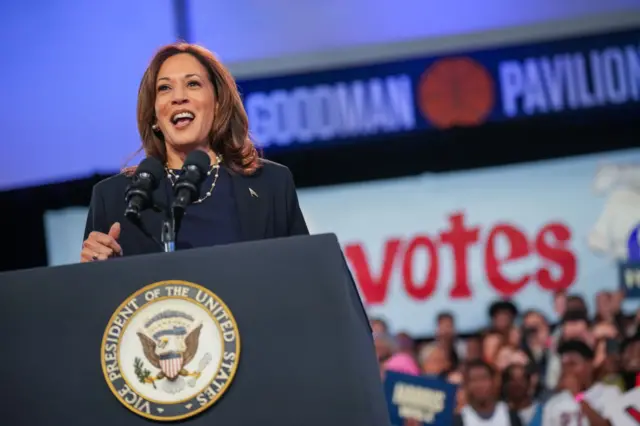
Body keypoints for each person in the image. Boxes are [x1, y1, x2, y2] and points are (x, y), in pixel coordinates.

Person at [80, 43, 308, 262]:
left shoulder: (271, 184)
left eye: (193, 84)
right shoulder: (114, 199)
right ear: (154, 117)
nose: (178, 97)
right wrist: (100, 272)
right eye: (165, 88)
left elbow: (306, 274)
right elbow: (95, 296)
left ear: (218, 103)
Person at [542, 340, 620, 426]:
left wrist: (577, 396)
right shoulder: (553, 404)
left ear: (589, 365)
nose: (567, 370)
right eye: (563, 365)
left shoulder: (610, 393)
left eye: (572, 364)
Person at [454, 359, 523, 426]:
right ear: (467, 385)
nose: (479, 385)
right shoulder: (461, 419)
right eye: (474, 380)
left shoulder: (509, 414)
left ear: (493, 381)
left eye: (483, 378)